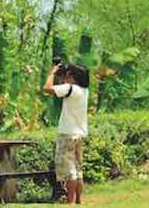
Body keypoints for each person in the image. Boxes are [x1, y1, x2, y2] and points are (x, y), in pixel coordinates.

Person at [43, 62, 89, 205]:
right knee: (77, 168)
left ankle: (70, 202)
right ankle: (79, 201)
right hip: (79, 134)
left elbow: (47, 88)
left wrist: (53, 72)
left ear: (73, 76)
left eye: (68, 74)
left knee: (69, 171)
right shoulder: (83, 90)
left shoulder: (70, 88)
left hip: (67, 134)